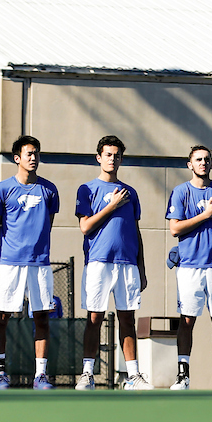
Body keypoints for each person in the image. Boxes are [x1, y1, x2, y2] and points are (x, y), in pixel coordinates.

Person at [75, 135, 151, 391]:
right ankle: (87, 374)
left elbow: (136, 231)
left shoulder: (131, 192)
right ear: (99, 158)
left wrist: (141, 268)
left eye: (117, 155)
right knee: (94, 318)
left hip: (127, 264)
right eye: (108, 154)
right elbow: (85, 226)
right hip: (98, 262)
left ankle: (133, 376)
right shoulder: (87, 189)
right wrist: (112, 205)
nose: (113, 158)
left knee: (127, 319)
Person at [166, 145, 212, 390]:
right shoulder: (180, 192)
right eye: (198, 159)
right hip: (190, 267)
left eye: (207, 159)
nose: (203, 163)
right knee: (187, 321)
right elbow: (175, 228)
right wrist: (206, 215)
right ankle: (182, 375)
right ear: (190, 164)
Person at [0, 135, 59, 390]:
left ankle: (40, 375)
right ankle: (0, 373)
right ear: (17, 158)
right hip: (10, 263)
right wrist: (12, 249)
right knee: (3, 316)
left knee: (41, 317)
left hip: (40, 263)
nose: (33, 157)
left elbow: (47, 225)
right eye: (29, 153)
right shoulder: (2, 189)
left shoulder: (49, 189)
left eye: (37, 153)